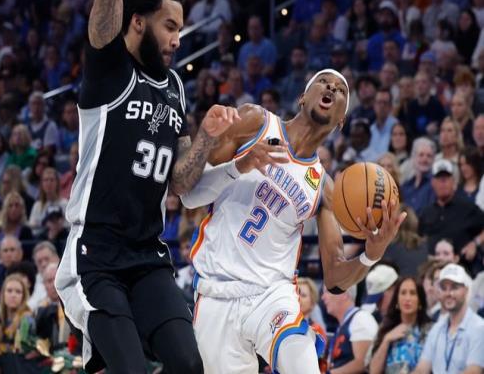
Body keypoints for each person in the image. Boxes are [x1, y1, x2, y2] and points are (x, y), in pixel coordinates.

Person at [55, 0, 237, 373]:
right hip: (95, 254)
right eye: (169, 26)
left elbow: (180, 182)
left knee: (189, 364)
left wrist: (208, 137)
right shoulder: (109, 67)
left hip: (147, 255)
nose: (177, 39)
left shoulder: (174, 88)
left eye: (180, 29)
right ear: (137, 22)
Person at [181, 69, 406, 373]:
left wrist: (371, 254)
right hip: (216, 292)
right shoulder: (256, 122)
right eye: (323, 82)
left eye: (340, 89)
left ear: (341, 120)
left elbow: (334, 278)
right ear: (303, 97)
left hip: (272, 296)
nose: (331, 88)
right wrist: (240, 165)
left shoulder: (324, 189)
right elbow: (190, 196)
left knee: (303, 363)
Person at [412, 264, 484, 373]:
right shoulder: (437, 328)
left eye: (454, 287)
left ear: (466, 290)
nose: (448, 293)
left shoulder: (479, 328)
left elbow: (474, 371)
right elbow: (421, 369)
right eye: (444, 288)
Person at [369, 277, 432, 374]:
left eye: (412, 293)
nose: (407, 298)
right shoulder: (386, 328)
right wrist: (386, 340)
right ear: (397, 300)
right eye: (403, 293)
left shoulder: (431, 330)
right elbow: (373, 371)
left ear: (420, 301)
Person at [323, 284, 379, 373]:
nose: (323, 297)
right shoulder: (344, 324)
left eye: (327, 291)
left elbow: (363, 363)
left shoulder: (361, 318)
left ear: (343, 293)